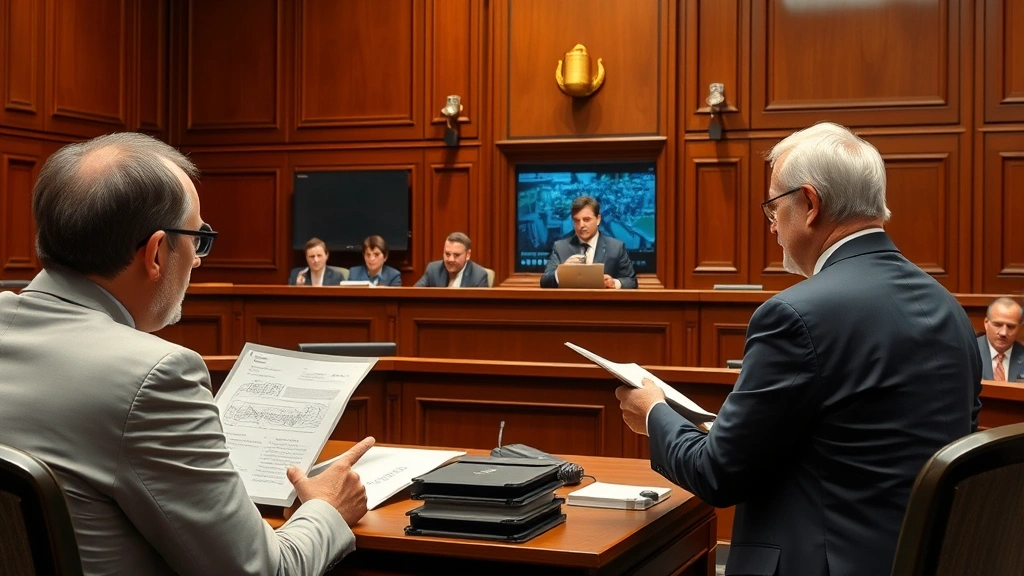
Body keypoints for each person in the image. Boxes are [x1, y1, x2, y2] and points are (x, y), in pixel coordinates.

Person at [615, 122, 981, 576]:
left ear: (809, 203)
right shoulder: (948, 307)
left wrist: (654, 412)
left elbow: (717, 474)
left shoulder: (795, 314)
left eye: (773, 206)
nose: (771, 225)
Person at [0, 132, 374, 575]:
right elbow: (260, 572)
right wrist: (326, 509)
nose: (197, 259)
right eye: (197, 238)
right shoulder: (152, 376)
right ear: (157, 251)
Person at [539, 196, 637, 289]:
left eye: (586, 220)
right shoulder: (560, 247)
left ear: (598, 219)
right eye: (577, 220)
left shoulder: (616, 247)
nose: (581, 225)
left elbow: (631, 281)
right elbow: (544, 281)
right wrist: (562, 271)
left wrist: (614, 283)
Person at [414, 232, 489, 287]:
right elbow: (414, 294)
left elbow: (480, 307)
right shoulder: (433, 270)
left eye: (456, 255)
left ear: (468, 255)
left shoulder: (479, 276)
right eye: (447, 254)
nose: (450, 259)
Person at [977, 297, 1024, 381]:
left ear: (1019, 328)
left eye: (1011, 327)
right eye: (998, 325)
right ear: (986, 323)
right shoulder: (970, 351)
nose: (1003, 333)